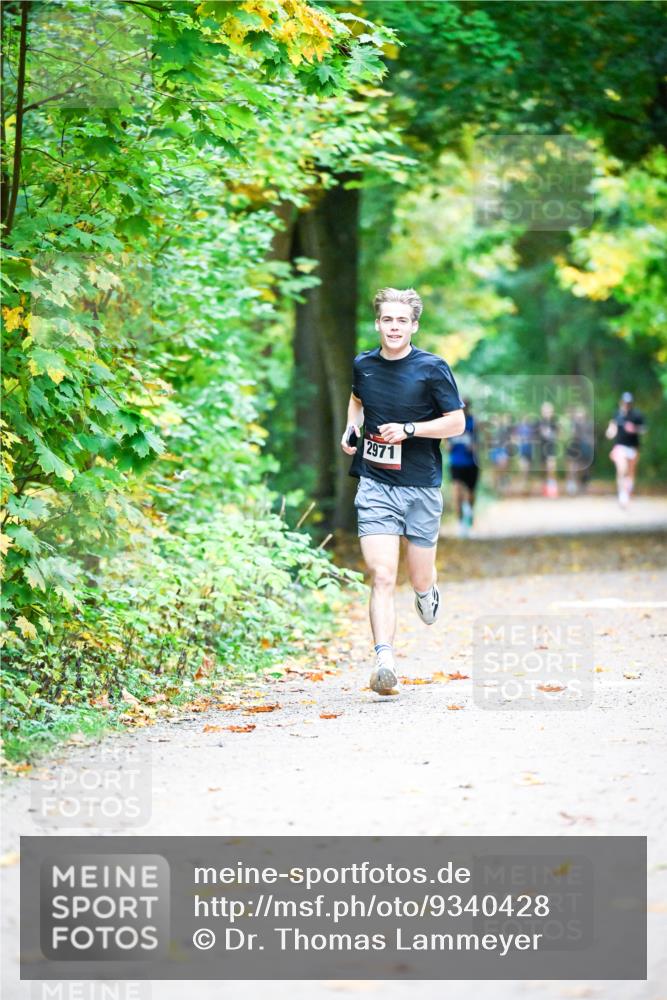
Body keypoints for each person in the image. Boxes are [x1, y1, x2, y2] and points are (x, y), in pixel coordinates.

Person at [340, 288, 465, 696]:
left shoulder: (432, 368)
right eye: (387, 320)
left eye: (402, 321)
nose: (394, 327)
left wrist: (411, 430)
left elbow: (456, 423)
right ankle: (385, 662)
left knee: (418, 577)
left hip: (421, 486)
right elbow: (357, 400)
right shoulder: (364, 364)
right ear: (378, 324)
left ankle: (427, 592)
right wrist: (351, 428)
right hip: (375, 483)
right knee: (381, 575)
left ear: (414, 326)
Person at [605, 391, 646, 508]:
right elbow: (612, 427)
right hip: (620, 447)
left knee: (631, 472)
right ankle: (622, 495)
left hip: (633, 447)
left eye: (628, 403)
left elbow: (644, 429)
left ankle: (627, 492)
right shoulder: (617, 414)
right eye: (625, 402)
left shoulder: (636, 415)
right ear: (621, 402)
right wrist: (610, 432)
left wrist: (635, 429)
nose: (626, 405)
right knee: (622, 469)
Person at [448, 398, 479, 537]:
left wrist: (475, 446)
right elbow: (446, 440)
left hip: (471, 463)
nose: (463, 408)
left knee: (470, 494)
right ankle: (460, 523)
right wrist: (448, 444)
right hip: (456, 463)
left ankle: (470, 512)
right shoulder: (452, 421)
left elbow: (479, 440)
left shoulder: (473, 422)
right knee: (457, 493)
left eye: (466, 406)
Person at [536, 401, 559, 498]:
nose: (547, 412)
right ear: (542, 411)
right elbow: (536, 435)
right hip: (542, 448)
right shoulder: (539, 422)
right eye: (545, 410)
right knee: (543, 469)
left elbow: (558, 434)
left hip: (551, 447)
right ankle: (544, 487)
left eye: (549, 410)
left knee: (551, 466)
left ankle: (552, 487)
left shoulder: (554, 422)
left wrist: (551, 435)